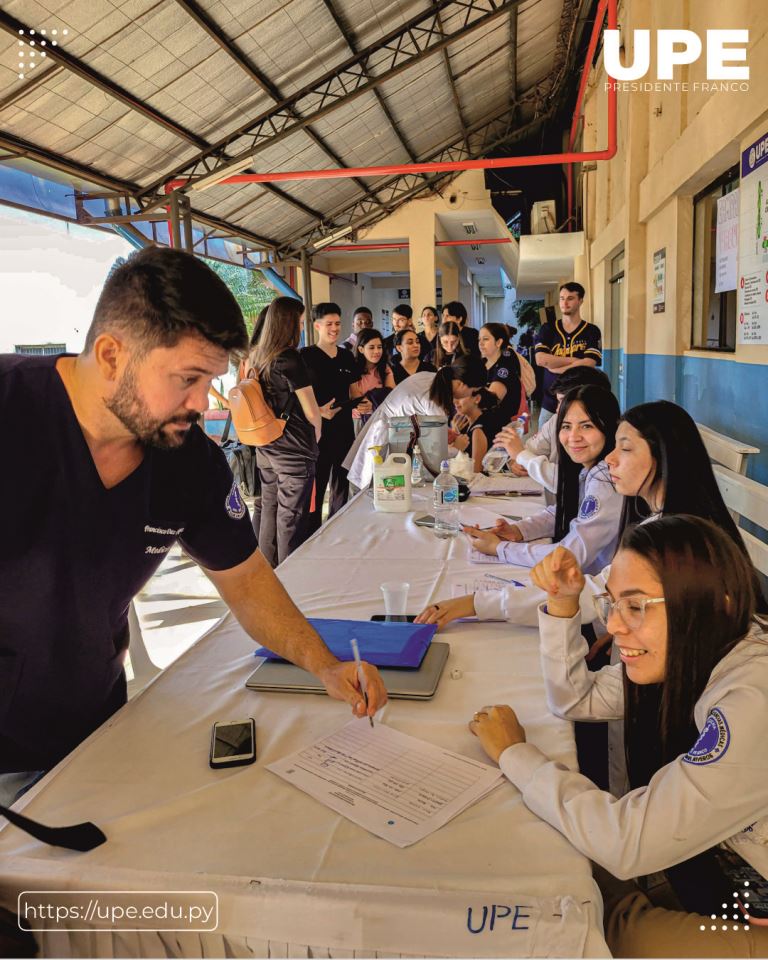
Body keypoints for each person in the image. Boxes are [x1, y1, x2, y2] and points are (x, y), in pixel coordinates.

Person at [0, 248, 386, 803]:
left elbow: (249, 582)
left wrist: (323, 666)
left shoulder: (186, 460)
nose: (204, 403)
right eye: (188, 378)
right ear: (111, 355)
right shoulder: (12, 413)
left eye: (210, 380)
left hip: (93, 728)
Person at [469, 517, 768, 958]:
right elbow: (576, 698)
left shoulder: (751, 698)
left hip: (742, 904)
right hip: (735, 882)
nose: (614, 626)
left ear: (714, 604)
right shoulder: (702, 646)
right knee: (570, 858)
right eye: (611, 603)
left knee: (622, 933)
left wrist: (516, 755)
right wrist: (563, 604)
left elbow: (628, 844)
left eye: (636, 606)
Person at [418, 399, 767, 634]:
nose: (611, 460)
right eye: (565, 425)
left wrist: (477, 603)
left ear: (664, 456)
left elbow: (589, 591)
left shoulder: (668, 539)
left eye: (625, 449)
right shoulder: (663, 517)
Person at [462, 385, 622, 574]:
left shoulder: (606, 478)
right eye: (566, 426)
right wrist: (517, 531)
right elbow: (565, 509)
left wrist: (499, 549)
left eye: (587, 426)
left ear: (609, 427)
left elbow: (569, 557)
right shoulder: (587, 468)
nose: (573, 437)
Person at [249, 297, 331, 566]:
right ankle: (291, 579)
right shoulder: (289, 358)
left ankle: (269, 573)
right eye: (298, 321)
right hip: (294, 447)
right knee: (291, 517)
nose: (301, 326)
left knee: (270, 509)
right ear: (289, 324)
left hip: (267, 445)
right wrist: (316, 432)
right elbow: (311, 410)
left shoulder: (259, 356)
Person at [344, 355, 487, 489]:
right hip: (388, 443)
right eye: (473, 390)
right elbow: (436, 456)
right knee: (381, 494)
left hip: (393, 436)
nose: (472, 395)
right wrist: (457, 447)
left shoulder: (428, 377)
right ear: (462, 385)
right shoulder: (435, 402)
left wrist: (444, 434)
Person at [498, 366, 613, 487]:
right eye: (558, 402)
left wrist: (522, 456)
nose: (559, 410)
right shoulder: (555, 421)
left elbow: (572, 482)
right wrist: (515, 461)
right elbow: (529, 452)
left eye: (586, 426)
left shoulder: (609, 465)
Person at [300, 302, 359, 534]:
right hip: (318, 431)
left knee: (341, 484)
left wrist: (361, 403)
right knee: (318, 482)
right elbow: (299, 397)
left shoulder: (346, 356)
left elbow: (354, 392)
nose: (334, 329)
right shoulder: (305, 356)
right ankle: (313, 533)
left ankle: (338, 530)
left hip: (344, 429)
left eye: (337, 324)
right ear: (316, 326)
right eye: (329, 324)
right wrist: (318, 411)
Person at [534, 282, 603, 426]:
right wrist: (574, 360)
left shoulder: (591, 330)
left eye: (570, 298)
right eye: (562, 298)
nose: (564, 303)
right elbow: (541, 360)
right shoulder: (548, 329)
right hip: (551, 401)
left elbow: (589, 363)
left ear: (580, 300)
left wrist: (556, 367)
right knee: (543, 446)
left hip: (581, 400)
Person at [478, 322, 525, 429]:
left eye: (485, 339)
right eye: (479, 339)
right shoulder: (483, 362)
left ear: (498, 342)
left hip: (500, 429)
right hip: (484, 424)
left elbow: (490, 401)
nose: (480, 343)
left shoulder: (506, 364)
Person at [349, 328, 395, 434]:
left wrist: (373, 403)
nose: (377, 351)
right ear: (361, 349)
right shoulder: (352, 369)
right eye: (371, 347)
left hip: (380, 419)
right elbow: (356, 399)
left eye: (379, 347)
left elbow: (391, 395)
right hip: (358, 420)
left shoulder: (385, 369)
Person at [451, 390, 498, 472]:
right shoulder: (464, 425)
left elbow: (476, 473)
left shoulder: (478, 430)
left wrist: (457, 448)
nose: (455, 401)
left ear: (477, 399)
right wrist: (454, 433)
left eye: (460, 397)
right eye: (454, 397)